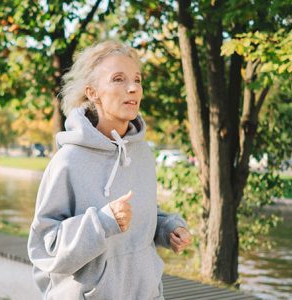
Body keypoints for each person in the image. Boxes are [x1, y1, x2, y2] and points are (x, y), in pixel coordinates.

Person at [27, 40, 191, 300]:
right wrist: (102, 223)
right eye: (118, 79)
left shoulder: (142, 154)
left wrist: (167, 228)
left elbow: (144, 213)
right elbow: (44, 247)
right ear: (92, 92)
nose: (133, 88)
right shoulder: (67, 161)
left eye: (137, 80)